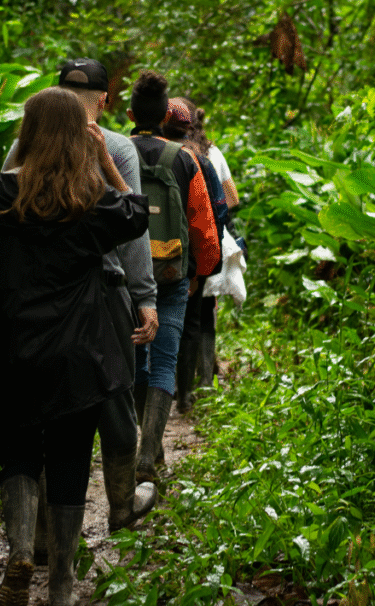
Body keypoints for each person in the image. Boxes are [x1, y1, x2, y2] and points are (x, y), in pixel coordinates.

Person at [0, 87, 149, 606]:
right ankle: (62, 584)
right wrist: (108, 160)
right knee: (68, 458)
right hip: (78, 355)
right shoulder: (91, 198)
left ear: (30, 131)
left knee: (16, 451)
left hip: (12, 346)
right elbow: (138, 214)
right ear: (78, 135)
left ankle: (21, 549)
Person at [2, 58, 159, 550]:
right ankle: (119, 503)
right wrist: (146, 296)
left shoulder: (23, 145)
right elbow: (134, 227)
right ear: (105, 101)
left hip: (30, 298)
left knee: (42, 410)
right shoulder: (113, 146)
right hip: (104, 293)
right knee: (114, 398)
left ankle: (43, 536)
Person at [127, 71, 220, 484]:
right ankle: (148, 455)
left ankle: (148, 445)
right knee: (164, 357)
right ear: (167, 114)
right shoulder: (185, 159)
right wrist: (201, 271)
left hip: (126, 279)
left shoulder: (112, 151)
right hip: (171, 274)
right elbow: (204, 225)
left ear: (129, 113)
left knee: (135, 362)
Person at [163, 98, 228, 414]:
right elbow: (216, 213)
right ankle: (185, 394)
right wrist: (203, 269)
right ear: (190, 125)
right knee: (189, 324)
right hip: (185, 262)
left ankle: (152, 397)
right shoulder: (197, 160)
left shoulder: (133, 152)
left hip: (141, 260)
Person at [176, 98, 243, 397]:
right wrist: (214, 214)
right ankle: (204, 380)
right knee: (205, 314)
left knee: (179, 313)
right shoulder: (212, 153)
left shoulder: (171, 151)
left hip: (175, 242)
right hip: (208, 240)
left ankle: (180, 384)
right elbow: (232, 198)